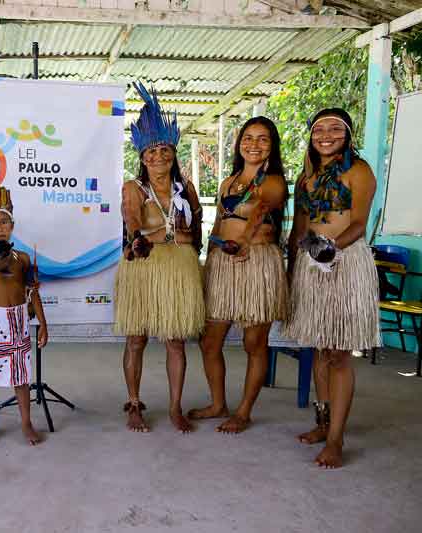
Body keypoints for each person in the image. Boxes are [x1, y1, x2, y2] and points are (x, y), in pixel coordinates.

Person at [284, 108, 380, 469]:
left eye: (335, 128)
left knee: (338, 354)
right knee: (320, 349)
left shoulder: (359, 170)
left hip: (345, 262)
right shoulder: (305, 178)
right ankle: (322, 424)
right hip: (310, 263)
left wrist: (331, 249)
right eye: (319, 129)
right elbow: (299, 228)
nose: (326, 134)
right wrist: (293, 270)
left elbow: (358, 223)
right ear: (311, 135)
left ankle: (337, 438)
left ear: (348, 134)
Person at [113, 82, 204, 433]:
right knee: (136, 338)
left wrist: (175, 236)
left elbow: (195, 232)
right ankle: (134, 403)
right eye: (150, 152)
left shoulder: (187, 188)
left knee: (175, 340)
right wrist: (161, 235)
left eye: (164, 150)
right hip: (144, 268)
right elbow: (133, 224)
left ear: (173, 152)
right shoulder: (133, 188)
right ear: (141, 156)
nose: (158, 157)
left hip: (179, 270)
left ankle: (175, 408)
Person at [189, 116, 289, 434]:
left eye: (262, 139)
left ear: (272, 146)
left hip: (257, 263)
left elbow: (262, 208)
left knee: (254, 343)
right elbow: (219, 222)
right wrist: (209, 259)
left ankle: (244, 411)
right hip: (222, 263)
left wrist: (245, 240)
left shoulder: (272, 181)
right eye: (248, 138)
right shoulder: (228, 182)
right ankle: (218, 403)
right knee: (209, 341)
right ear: (239, 143)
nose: (254, 144)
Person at [0, 155, 47, 446]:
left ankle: (26, 422)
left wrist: (43, 323)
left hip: (19, 320)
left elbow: (32, 292)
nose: (0, 227)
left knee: (21, 375)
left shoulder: (24, 258)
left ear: (12, 224)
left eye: (4, 222)